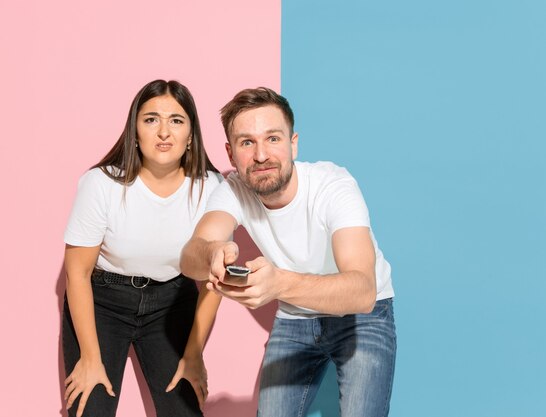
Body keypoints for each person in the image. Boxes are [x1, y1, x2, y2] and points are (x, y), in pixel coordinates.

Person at [180, 87, 396, 417]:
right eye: (246, 142)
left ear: (293, 143)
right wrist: (212, 253)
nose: (261, 155)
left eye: (273, 139)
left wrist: (279, 284)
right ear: (230, 153)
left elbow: (363, 291)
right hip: (295, 318)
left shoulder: (334, 186)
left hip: (361, 317)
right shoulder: (233, 190)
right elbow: (190, 254)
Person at [62, 79, 223, 417]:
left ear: (191, 135)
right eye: (151, 119)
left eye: (176, 121)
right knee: (89, 409)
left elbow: (214, 281)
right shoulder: (101, 184)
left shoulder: (212, 188)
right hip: (103, 303)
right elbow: (77, 273)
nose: (164, 131)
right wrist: (91, 358)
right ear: (135, 131)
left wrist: (193, 355)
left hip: (172, 304)